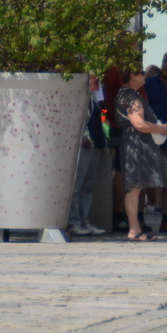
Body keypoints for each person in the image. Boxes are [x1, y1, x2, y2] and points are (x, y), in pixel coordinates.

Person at [115, 68, 167, 241]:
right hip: (136, 145)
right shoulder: (130, 96)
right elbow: (139, 124)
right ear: (132, 76)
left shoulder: (126, 94)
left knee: (136, 187)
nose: (144, 76)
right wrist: (161, 129)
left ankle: (135, 228)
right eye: (141, 73)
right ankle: (134, 229)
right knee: (134, 187)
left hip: (135, 144)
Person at [67, 75, 108, 237]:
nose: (95, 81)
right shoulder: (77, 95)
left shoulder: (93, 97)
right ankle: (74, 222)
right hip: (84, 143)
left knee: (88, 185)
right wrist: (81, 136)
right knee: (77, 185)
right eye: (92, 78)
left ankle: (84, 221)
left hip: (96, 143)